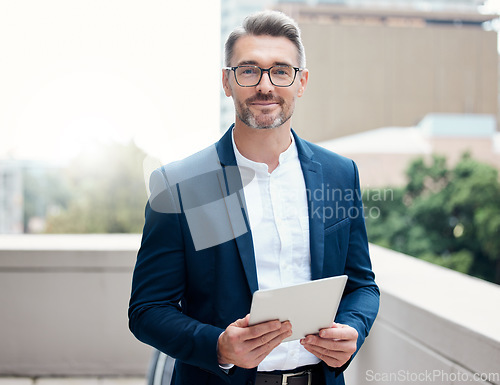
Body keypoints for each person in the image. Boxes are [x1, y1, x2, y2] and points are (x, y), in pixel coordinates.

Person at [129, 10, 379, 385]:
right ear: (227, 83)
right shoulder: (182, 184)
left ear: (302, 82)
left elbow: (362, 285)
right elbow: (147, 310)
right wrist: (218, 346)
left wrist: (354, 329)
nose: (266, 85)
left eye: (281, 70)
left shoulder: (339, 175)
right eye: (249, 71)